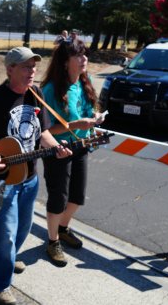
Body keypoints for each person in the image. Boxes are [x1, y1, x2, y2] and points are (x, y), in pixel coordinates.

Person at [0, 46, 72, 305]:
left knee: (23, 228)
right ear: (10, 69)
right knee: (5, 233)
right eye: (26, 67)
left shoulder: (36, 94)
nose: (32, 72)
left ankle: (6, 259)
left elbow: (43, 134)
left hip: (29, 177)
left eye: (34, 67)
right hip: (2, 180)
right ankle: (0, 284)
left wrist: (56, 148)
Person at [40, 38, 105, 267]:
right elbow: (45, 129)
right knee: (58, 197)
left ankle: (63, 228)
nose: (84, 58)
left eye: (84, 54)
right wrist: (78, 124)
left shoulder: (82, 84)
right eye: (78, 55)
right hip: (57, 149)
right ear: (65, 62)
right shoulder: (49, 90)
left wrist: (95, 118)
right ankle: (52, 240)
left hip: (80, 147)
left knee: (77, 196)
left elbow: (89, 112)